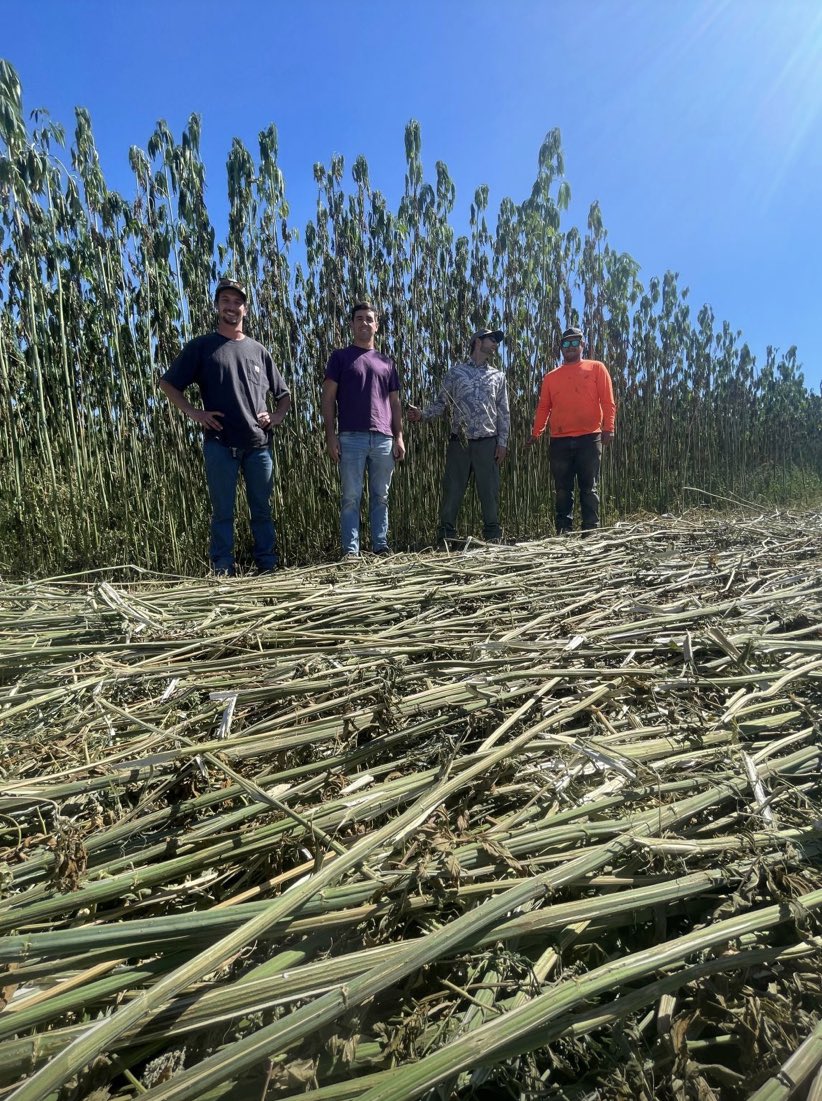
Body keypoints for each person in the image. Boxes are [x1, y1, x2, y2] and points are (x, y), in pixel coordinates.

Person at [158, 277, 291, 575]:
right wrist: (195, 412)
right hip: (219, 443)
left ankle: (267, 567)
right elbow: (167, 383)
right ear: (217, 306)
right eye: (226, 301)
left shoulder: (258, 350)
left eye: (237, 302)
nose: (232, 307)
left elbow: (284, 395)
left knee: (262, 511)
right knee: (222, 513)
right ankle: (223, 569)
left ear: (245, 308)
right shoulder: (203, 347)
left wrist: (277, 417)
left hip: (259, 446)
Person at [407, 328, 509, 544]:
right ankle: (446, 537)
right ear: (477, 342)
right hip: (459, 443)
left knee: (489, 493)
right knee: (452, 491)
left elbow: (503, 412)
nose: (495, 344)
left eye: (496, 341)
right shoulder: (455, 373)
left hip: (487, 442)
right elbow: (441, 403)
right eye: (492, 339)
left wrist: (502, 443)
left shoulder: (498, 376)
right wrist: (422, 415)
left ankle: (493, 538)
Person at [322, 302, 405, 558]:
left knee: (381, 495)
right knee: (351, 496)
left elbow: (395, 402)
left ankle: (380, 546)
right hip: (351, 437)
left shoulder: (386, 362)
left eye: (369, 319)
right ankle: (351, 551)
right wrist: (331, 435)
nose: (364, 323)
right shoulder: (340, 358)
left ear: (376, 326)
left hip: (383, 438)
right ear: (351, 324)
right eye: (359, 319)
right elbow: (328, 398)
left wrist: (399, 436)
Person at [527, 325, 615, 533]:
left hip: (590, 438)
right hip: (560, 440)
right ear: (561, 348)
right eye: (566, 343)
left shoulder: (596, 368)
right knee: (562, 489)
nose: (570, 347)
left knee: (589, 487)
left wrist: (609, 427)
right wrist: (536, 432)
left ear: (583, 345)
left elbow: (607, 401)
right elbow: (544, 407)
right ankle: (563, 531)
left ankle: (590, 530)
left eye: (575, 342)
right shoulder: (551, 377)